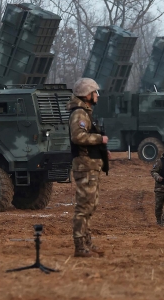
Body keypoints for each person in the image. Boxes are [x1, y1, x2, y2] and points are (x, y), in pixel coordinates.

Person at [67, 78, 109, 258]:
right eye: (95, 92)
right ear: (87, 95)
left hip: (91, 165)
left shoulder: (86, 112)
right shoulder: (79, 114)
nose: (97, 96)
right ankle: (80, 245)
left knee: (90, 205)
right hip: (85, 166)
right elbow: (78, 137)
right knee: (84, 207)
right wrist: (100, 140)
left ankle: (86, 241)